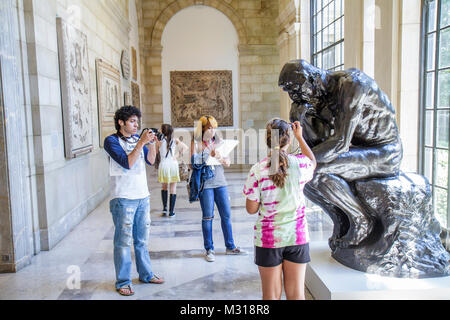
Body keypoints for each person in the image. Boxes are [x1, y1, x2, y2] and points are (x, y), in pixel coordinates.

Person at [278, 59, 403, 249]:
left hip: (384, 152)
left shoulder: (352, 85)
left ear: (311, 80)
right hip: (359, 149)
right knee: (306, 177)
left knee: (314, 172)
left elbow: (340, 143)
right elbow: (317, 144)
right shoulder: (317, 98)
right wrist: (300, 119)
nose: (295, 97)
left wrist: (298, 162)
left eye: (296, 91)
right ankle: (342, 219)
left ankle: (361, 220)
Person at [243, 118, 316, 300]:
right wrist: (300, 137)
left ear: (268, 140)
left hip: (268, 239)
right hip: (296, 237)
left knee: (270, 296)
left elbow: (251, 209)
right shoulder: (300, 165)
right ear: (288, 139)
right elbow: (312, 161)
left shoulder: (258, 170)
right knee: (296, 295)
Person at [103, 106, 164, 296]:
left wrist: (152, 143)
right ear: (121, 122)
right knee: (123, 242)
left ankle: (146, 274)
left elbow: (151, 161)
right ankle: (123, 281)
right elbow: (127, 163)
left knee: (142, 240)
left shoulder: (139, 139)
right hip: (123, 197)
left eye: (137, 121)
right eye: (132, 121)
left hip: (142, 195)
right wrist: (141, 143)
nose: (136, 125)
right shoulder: (111, 141)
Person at [191, 115, 246, 262]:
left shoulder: (219, 142)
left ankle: (230, 246)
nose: (213, 130)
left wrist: (221, 157)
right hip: (206, 184)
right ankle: (209, 249)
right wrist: (208, 153)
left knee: (226, 215)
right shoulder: (196, 143)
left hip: (221, 182)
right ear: (202, 129)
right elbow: (192, 163)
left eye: (214, 127)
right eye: (210, 128)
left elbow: (227, 162)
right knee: (207, 216)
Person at [157, 124, 188, 218]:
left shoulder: (159, 141)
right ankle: (171, 212)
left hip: (163, 164)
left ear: (163, 131)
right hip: (173, 164)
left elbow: (155, 153)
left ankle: (164, 209)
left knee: (164, 187)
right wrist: (176, 156)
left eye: (160, 128)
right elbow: (185, 147)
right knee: (173, 188)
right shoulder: (175, 140)